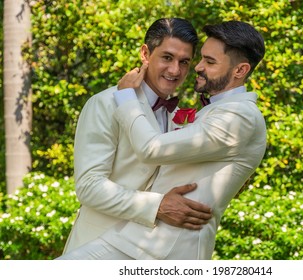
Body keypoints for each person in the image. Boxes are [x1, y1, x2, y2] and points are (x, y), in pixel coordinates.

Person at [58, 20, 266, 260]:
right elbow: (89, 186)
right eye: (167, 58)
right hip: (99, 242)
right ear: (145, 53)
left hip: (158, 250)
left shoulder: (187, 114)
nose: (176, 70)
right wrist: (156, 206)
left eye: (184, 62)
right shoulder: (106, 103)